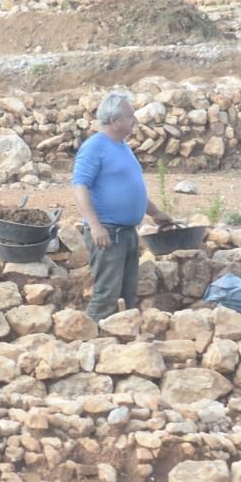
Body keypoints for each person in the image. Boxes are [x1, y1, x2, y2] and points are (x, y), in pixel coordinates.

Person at [73, 90, 175, 321]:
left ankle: (121, 345)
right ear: (115, 120)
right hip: (108, 233)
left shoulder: (122, 146)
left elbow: (131, 188)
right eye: (130, 116)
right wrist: (95, 226)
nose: (135, 120)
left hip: (127, 233)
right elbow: (80, 187)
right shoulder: (94, 147)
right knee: (106, 295)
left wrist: (156, 213)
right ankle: (86, 342)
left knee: (127, 295)